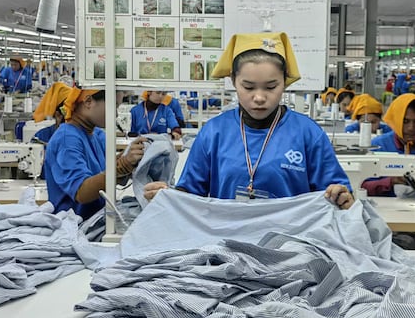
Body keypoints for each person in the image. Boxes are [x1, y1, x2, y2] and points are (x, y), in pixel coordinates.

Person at [143, 32, 353, 209]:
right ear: (233, 81)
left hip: (291, 245)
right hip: (226, 243)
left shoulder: (307, 134)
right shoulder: (215, 133)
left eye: (271, 87)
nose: (259, 97)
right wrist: (169, 196)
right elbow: (190, 193)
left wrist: (342, 196)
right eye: (248, 87)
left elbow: (335, 192)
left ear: (285, 83)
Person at [44, 88, 146, 220]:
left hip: (95, 220)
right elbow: (81, 192)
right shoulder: (67, 139)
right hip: (72, 225)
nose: (115, 114)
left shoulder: (97, 135)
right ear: (88, 101)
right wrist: (122, 166)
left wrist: (129, 159)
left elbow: (103, 172)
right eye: (114, 106)